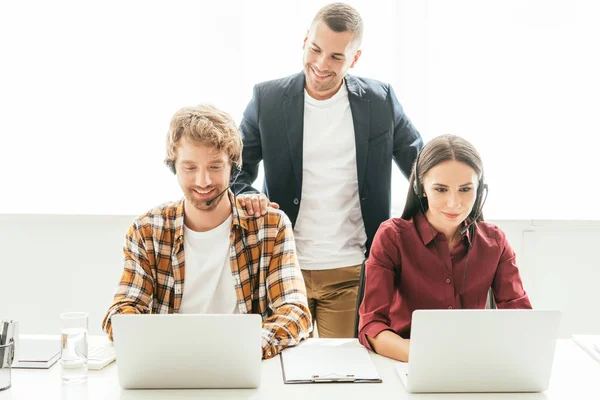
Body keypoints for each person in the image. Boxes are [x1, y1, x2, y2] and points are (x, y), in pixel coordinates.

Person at [233, 2, 423, 338]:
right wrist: (247, 194)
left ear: (355, 58)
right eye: (315, 49)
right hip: (282, 266)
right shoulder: (268, 99)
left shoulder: (381, 100)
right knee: (279, 374)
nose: (321, 64)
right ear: (305, 40)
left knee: (346, 377)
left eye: (336, 57)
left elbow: (422, 167)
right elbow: (235, 169)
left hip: (351, 270)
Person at [102, 104, 312, 359]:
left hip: (242, 364)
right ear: (173, 166)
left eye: (215, 167)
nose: (203, 181)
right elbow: (122, 311)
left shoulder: (270, 226)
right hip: (170, 365)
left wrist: (244, 349)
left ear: (232, 167)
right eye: (190, 168)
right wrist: (160, 347)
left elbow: (295, 310)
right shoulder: (147, 230)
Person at [358, 134, 532, 361]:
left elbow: (521, 318)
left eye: (465, 189)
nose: (454, 203)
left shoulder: (495, 242)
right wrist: (425, 356)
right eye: (440, 189)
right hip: (407, 361)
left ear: (479, 190)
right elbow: (372, 324)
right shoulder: (393, 237)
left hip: (473, 363)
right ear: (421, 188)